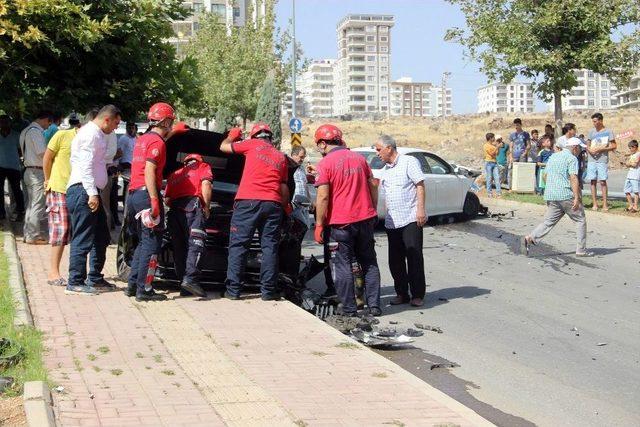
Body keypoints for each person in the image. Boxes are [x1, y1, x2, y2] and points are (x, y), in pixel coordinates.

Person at [313, 124, 382, 316]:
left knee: (342, 264)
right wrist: (372, 210)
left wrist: (319, 224)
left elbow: (323, 197)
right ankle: (375, 306)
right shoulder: (359, 159)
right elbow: (373, 186)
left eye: (318, 145)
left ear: (322, 143)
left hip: (340, 223)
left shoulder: (325, 163)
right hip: (366, 219)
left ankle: (350, 309)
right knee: (369, 262)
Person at [220, 123, 290, 301]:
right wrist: (286, 206)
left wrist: (232, 135)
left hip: (248, 202)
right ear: (270, 138)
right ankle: (267, 292)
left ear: (254, 136)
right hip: (273, 204)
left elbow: (223, 147)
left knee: (239, 246)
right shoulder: (280, 156)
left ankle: (233, 291)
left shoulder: (251, 145)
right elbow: (283, 186)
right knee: (269, 248)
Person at [66, 105, 121, 295]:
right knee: (82, 237)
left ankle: (95, 277)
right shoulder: (91, 134)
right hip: (83, 190)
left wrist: (109, 169)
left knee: (101, 236)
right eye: (115, 123)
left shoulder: (96, 134)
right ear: (106, 119)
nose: (115, 128)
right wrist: (91, 192)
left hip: (89, 189)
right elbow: (86, 165)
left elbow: (96, 163)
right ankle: (75, 281)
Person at [125, 103, 177, 302]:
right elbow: (149, 170)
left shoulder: (143, 139)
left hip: (134, 195)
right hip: (147, 195)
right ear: (164, 121)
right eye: (170, 121)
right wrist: (156, 200)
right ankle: (144, 289)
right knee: (152, 243)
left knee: (143, 242)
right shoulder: (158, 143)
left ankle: (132, 285)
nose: (171, 124)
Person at [375, 135, 427, 307]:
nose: (377, 153)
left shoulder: (408, 162)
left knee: (413, 256)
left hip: (410, 217)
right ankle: (402, 293)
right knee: (395, 260)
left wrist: (420, 209)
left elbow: (420, 185)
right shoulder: (386, 170)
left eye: (378, 149)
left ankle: (417, 294)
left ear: (389, 148)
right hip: (392, 221)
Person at [522, 137, 592, 257]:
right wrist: (576, 197)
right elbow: (573, 178)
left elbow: (545, 175)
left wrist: (551, 187)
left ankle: (530, 238)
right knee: (580, 220)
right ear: (575, 148)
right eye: (580, 148)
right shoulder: (572, 158)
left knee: (548, 222)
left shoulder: (553, 156)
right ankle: (581, 250)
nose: (581, 151)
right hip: (565, 195)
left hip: (551, 195)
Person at [164, 153, 212, 297]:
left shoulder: (175, 174)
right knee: (196, 244)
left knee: (179, 248)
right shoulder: (203, 166)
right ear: (199, 161)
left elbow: (167, 200)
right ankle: (191, 280)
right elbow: (206, 184)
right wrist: (207, 207)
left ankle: (184, 285)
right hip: (192, 206)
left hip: (174, 212)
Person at [43, 113, 82, 287]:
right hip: (59, 187)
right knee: (61, 229)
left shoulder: (90, 141)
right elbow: (47, 158)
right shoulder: (62, 135)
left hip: (77, 189)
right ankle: (53, 272)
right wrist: (47, 180)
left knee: (78, 231)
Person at [19, 110, 53, 244]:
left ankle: (28, 234)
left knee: (31, 204)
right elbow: (42, 153)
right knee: (37, 204)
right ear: (45, 119)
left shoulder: (26, 130)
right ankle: (33, 235)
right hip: (36, 171)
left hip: (29, 170)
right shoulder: (35, 131)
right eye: (48, 123)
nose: (48, 127)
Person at [586, 112, 616, 211]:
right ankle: (595, 204)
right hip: (591, 160)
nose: (594, 123)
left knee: (602, 181)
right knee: (592, 181)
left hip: (602, 160)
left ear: (601, 120)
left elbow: (614, 146)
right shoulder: (591, 132)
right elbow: (587, 145)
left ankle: (605, 204)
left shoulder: (609, 131)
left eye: (595, 121)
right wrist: (590, 150)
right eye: (593, 122)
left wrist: (601, 149)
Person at [0, 114, 25, 222]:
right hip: (0, 167)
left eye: (6, 122)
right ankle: (1, 213)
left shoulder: (16, 135)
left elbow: (20, 151)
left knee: (16, 190)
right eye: (2, 122)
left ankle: (20, 212)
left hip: (14, 166)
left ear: (10, 123)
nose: (4, 124)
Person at [118, 122, 136, 203]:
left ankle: (128, 205)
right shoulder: (123, 138)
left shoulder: (134, 139)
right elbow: (119, 152)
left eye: (133, 128)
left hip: (133, 166)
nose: (132, 130)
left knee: (131, 187)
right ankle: (126, 205)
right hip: (126, 165)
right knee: (127, 186)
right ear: (127, 128)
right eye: (130, 128)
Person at [483, 132, 502, 197]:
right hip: (488, 163)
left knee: (497, 177)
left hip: (494, 163)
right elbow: (491, 153)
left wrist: (498, 147)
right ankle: (489, 193)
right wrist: (497, 147)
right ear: (490, 138)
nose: (494, 138)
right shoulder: (486, 146)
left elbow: (497, 154)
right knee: (489, 178)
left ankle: (499, 193)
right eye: (493, 137)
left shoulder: (493, 145)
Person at [624, 140, 640, 213]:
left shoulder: (638, 154)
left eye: (631, 148)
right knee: (626, 190)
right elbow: (628, 164)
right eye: (629, 148)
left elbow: (634, 164)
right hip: (629, 175)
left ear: (635, 147)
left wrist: (628, 164)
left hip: (635, 176)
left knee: (636, 191)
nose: (630, 149)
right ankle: (631, 205)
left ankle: (636, 206)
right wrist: (628, 163)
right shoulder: (631, 155)